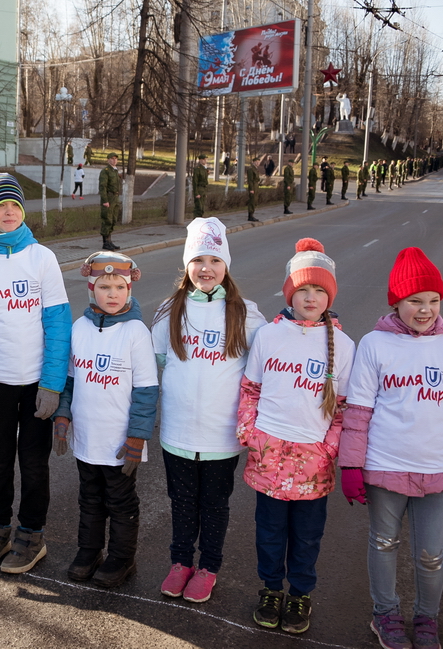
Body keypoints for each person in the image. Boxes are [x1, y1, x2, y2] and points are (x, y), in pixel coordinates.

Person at [339, 247, 443, 649]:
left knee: (431, 554)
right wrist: (351, 467)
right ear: (396, 302)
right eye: (415, 301)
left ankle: (426, 619)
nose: (425, 310)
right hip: (385, 464)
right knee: (384, 543)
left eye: (434, 301)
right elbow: (359, 411)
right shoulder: (374, 344)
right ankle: (385, 615)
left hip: (438, 468)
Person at [0, 172, 72, 574]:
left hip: (38, 384)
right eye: (0, 205)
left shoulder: (42, 258)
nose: (8, 212)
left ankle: (32, 533)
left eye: (14, 205)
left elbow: (58, 324)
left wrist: (52, 384)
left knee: (34, 464)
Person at [237, 239, 356, 635]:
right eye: (303, 288)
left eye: (319, 290)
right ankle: (271, 589)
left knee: (306, 537)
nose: (310, 297)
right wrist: (251, 435)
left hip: (314, 462)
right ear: (289, 292)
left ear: (330, 296)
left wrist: (329, 448)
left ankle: (301, 593)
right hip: (269, 455)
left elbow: (344, 408)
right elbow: (250, 389)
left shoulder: (345, 346)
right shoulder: (269, 336)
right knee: (269, 533)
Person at [152, 217, 266, 603]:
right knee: (182, 503)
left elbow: (272, 354)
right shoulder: (170, 310)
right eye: (198, 259)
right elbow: (157, 361)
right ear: (186, 264)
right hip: (178, 434)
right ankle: (181, 562)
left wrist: (312, 329)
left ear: (226, 266)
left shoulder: (246, 313)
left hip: (221, 437)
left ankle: (208, 567)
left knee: (214, 505)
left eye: (215, 260)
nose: (206, 268)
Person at [53, 252, 158, 588]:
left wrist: (137, 436)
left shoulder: (136, 332)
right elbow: (70, 381)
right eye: (104, 286)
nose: (113, 294)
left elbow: (146, 390)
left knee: (121, 501)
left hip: (120, 442)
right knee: (90, 498)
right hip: (88, 438)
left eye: (119, 287)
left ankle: (122, 557)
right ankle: (89, 551)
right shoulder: (79, 328)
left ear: (129, 289)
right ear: (91, 289)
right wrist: (63, 416)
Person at [98, 153, 122, 250]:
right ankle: (105, 242)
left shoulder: (115, 171)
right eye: (112, 158)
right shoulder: (106, 171)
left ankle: (109, 241)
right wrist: (105, 200)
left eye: (115, 159)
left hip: (115, 197)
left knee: (113, 219)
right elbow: (102, 187)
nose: (114, 160)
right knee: (107, 219)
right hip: (109, 197)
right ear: (108, 160)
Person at [245, 158, 260, 222]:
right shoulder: (251, 169)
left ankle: (252, 214)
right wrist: (251, 189)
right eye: (256, 162)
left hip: (256, 186)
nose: (257, 163)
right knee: (252, 201)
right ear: (253, 162)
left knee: (255, 201)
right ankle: (250, 215)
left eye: (258, 162)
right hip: (253, 186)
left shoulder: (256, 169)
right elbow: (250, 180)